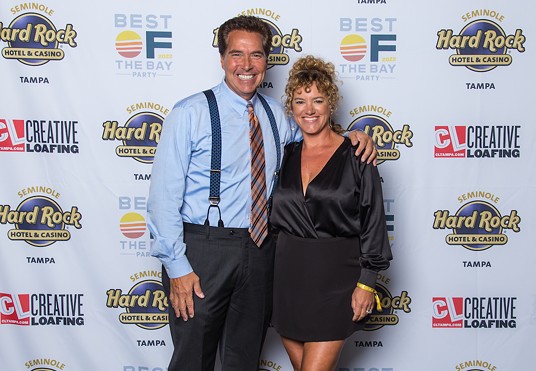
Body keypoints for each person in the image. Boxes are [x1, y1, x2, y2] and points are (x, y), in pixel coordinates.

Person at [146, 16, 377, 371]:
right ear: (221, 58)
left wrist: (354, 139)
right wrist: (177, 268)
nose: (246, 65)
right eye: (237, 54)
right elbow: (162, 198)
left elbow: (319, 142)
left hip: (261, 253)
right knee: (193, 360)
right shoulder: (189, 112)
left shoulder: (277, 115)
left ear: (266, 61)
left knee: (244, 359)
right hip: (203, 253)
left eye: (256, 55)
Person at [270, 55, 393, 371]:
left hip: (336, 281)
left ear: (331, 104)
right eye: (300, 101)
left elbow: (373, 220)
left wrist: (367, 282)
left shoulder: (357, 154)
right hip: (286, 281)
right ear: (291, 107)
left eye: (317, 100)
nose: (309, 109)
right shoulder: (283, 154)